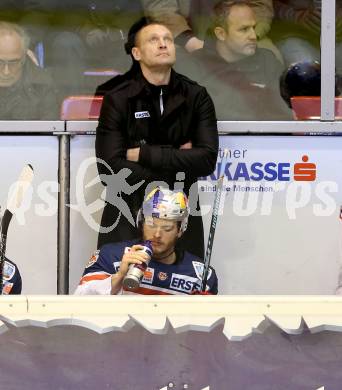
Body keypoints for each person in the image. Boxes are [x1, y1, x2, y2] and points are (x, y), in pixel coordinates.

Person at [95, 18, 218, 258]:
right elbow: (109, 170)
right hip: (127, 214)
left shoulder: (196, 96)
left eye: (168, 39)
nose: (163, 44)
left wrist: (143, 154)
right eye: (154, 40)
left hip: (181, 220)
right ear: (136, 53)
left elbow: (206, 160)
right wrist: (179, 159)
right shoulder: (118, 98)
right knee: (123, 288)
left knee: (180, 292)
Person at [75, 187, 218, 295]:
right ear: (141, 222)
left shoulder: (200, 274)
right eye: (151, 224)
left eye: (167, 228)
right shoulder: (111, 256)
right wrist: (119, 277)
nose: (156, 234)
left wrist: (204, 310)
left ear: (180, 230)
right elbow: (79, 301)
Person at [181, 1, 291, 120]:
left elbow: (284, 116)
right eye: (244, 29)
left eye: (253, 28)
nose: (253, 36)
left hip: (260, 136)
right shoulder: (194, 65)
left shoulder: (267, 62)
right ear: (221, 34)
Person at [0, 21, 58, 120]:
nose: (6, 71)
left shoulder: (42, 84)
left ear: (24, 57)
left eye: (13, 62)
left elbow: (48, 131)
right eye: (0, 62)